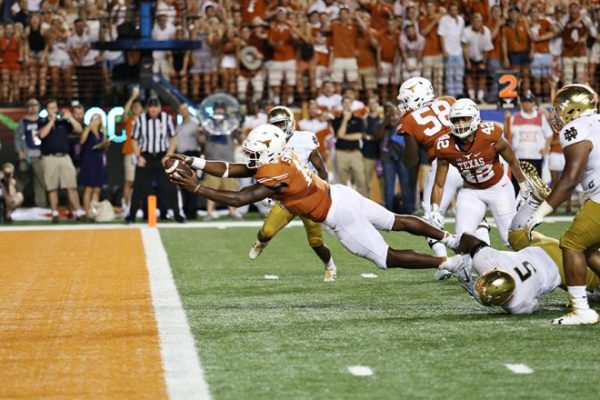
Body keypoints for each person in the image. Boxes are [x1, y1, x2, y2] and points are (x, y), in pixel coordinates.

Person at [168, 123, 467, 273]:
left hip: (338, 214)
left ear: (268, 149)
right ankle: (450, 239)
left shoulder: (273, 170)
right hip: (341, 194)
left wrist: (196, 188)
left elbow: (239, 198)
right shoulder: (282, 155)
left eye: (254, 150)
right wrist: (195, 162)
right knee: (396, 221)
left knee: (385, 258)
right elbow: (236, 169)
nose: (250, 155)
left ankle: (447, 262)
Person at [444, 188, 600, 315]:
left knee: (591, 280)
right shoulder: (487, 262)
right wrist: (456, 250)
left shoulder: (517, 304)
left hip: (563, 266)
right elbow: (467, 238)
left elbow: (534, 305)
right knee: (513, 234)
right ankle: (533, 201)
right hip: (541, 246)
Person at [525, 84, 600, 325]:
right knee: (587, 249)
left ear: (572, 108)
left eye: (559, 109)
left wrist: (540, 212)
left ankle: (581, 310)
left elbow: (569, 179)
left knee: (572, 244)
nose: (556, 115)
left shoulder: (577, 128)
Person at [247, 106, 338, 282]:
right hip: (286, 197)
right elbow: (265, 171)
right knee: (266, 231)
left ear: (290, 123)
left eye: (282, 123)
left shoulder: (304, 138)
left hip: (309, 195)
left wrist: (325, 190)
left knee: (315, 241)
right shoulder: (269, 142)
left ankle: (330, 266)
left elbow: (320, 167)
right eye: (275, 125)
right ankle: (261, 243)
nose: (279, 128)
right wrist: (267, 192)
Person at [431, 98, 533, 247]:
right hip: (471, 191)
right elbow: (439, 183)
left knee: (510, 240)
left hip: (499, 189)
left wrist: (524, 187)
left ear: (475, 118)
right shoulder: (444, 145)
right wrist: (435, 209)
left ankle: (533, 264)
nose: (460, 124)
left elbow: (512, 161)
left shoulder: (490, 135)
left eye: (465, 119)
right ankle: (479, 236)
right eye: (456, 120)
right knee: (463, 241)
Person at [396, 77, 464, 273]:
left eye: (405, 99)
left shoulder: (409, 119)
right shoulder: (449, 100)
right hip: (467, 158)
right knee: (472, 207)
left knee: (430, 217)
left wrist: (406, 132)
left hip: (443, 164)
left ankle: (443, 263)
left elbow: (410, 160)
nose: (403, 104)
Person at [126, 97, 183, 224]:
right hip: (145, 156)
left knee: (171, 185)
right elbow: (134, 139)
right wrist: (138, 156)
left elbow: (173, 139)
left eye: (156, 106)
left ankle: (177, 214)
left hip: (162, 156)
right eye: (151, 107)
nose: (153, 109)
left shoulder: (166, 118)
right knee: (139, 186)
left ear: (160, 107)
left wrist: (168, 155)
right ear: (147, 108)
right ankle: (131, 216)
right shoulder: (140, 120)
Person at [38, 99, 85, 223]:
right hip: (49, 158)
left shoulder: (64, 123)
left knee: (71, 186)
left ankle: (78, 211)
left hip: (65, 157)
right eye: (51, 107)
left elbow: (79, 130)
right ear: (47, 109)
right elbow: (42, 135)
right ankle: (55, 212)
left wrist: (70, 117)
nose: (54, 109)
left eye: (55, 107)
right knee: (52, 187)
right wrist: (52, 120)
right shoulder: (41, 121)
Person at [198, 101, 242, 221]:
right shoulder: (208, 126)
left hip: (229, 161)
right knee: (212, 189)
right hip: (213, 161)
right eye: (217, 110)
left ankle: (232, 211)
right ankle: (209, 212)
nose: (219, 112)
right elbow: (201, 141)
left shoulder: (231, 125)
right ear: (214, 112)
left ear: (224, 112)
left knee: (231, 189)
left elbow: (240, 139)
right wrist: (200, 133)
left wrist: (239, 132)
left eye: (221, 110)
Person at [508, 91, 552, 192]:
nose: (527, 104)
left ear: (533, 103)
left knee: (535, 186)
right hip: (519, 157)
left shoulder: (540, 117)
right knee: (518, 185)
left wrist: (546, 147)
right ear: (521, 103)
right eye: (525, 101)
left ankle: (535, 207)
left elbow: (549, 134)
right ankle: (517, 207)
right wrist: (506, 117)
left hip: (535, 157)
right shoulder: (515, 117)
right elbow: (508, 134)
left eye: (529, 101)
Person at [332, 96, 368, 197]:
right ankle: (346, 206)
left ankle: (364, 206)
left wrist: (343, 136)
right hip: (341, 153)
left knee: (361, 180)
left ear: (352, 104)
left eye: (349, 102)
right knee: (342, 183)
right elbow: (339, 134)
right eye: (345, 103)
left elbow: (359, 135)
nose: (347, 104)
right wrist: (345, 120)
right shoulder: (336, 120)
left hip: (355, 153)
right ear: (342, 104)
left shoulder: (359, 120)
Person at [14, 98, 46, 207]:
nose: (33, 108)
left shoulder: (42, 121)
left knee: (40, 180)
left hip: (39, 154)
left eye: (35, 105)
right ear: (27, 108)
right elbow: (17, 137)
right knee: (21, 179)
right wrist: (19, 151)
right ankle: (15, 202)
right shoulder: (23, 121)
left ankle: (41, 205)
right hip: (26, 154)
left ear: (39, 107)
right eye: (30, 106)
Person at [79, 113, 108, 217]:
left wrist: (105, 143)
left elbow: (105, 149)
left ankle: (94, 211)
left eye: (98, 119)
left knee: (97, 188)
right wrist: (88, 128)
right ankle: (87, 212)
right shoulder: (88, 131)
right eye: (94, 119)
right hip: (89, 160)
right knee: (89, 187)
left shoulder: (101, 134)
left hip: (99, 161)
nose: (96, 121)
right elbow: (82, 141)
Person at [175, 102, 201, 220]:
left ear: (188, 110)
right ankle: (186, 210)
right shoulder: (178, 126)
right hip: (181, 156)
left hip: (192, 155)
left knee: (192, 183)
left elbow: (200, 140)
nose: (183, 111)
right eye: (181, 110)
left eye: (185, 109)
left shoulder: (195, 124)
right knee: (183, 184)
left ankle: (193, 211)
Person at [121, 88, 143, 210]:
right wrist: (132, 98)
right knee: (129, 180)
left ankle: (137, 205)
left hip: (141, 154)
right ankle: (127, 205)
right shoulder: (129, 120)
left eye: (138, 106)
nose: (136, 108)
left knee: (140, 182)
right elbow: (125, 113)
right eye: (134, 106)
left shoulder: (145, 121)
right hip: (130, 153)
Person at [437, 3, 465, 97]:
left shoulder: (461, 20)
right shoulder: (444, 20)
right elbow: (441, 35)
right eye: (452, 9)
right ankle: (451, 95)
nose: (453, 11)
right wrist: (444, 50)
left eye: (455, 9)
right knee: (449, 75)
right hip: (448, 52)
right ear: (449, 10)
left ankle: (459, 94)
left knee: (459, 74)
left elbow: (461, 35)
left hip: (458, 52)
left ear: (458, 10)